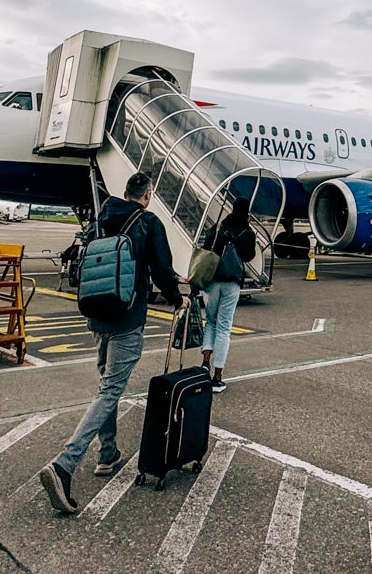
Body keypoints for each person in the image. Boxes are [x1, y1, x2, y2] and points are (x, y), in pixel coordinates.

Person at [40, 171, 183, 513]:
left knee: (107, 386)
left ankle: (108, 454)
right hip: (127, 317)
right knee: (110, 391)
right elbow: (162, 269)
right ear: (147, 194)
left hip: (96, 313)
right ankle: (64, 464)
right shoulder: (147, 222)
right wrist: (179, 300)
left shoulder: (101, 219)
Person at [200, 198, 257, 394]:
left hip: (213, 280)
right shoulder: (248, 232)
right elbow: (249, 256)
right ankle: (217, 377)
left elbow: (207, 247)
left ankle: (205, 362)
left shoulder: (219, 227)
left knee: (211, 322)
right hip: (232, 282)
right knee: (224, 327)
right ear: (247, 212)